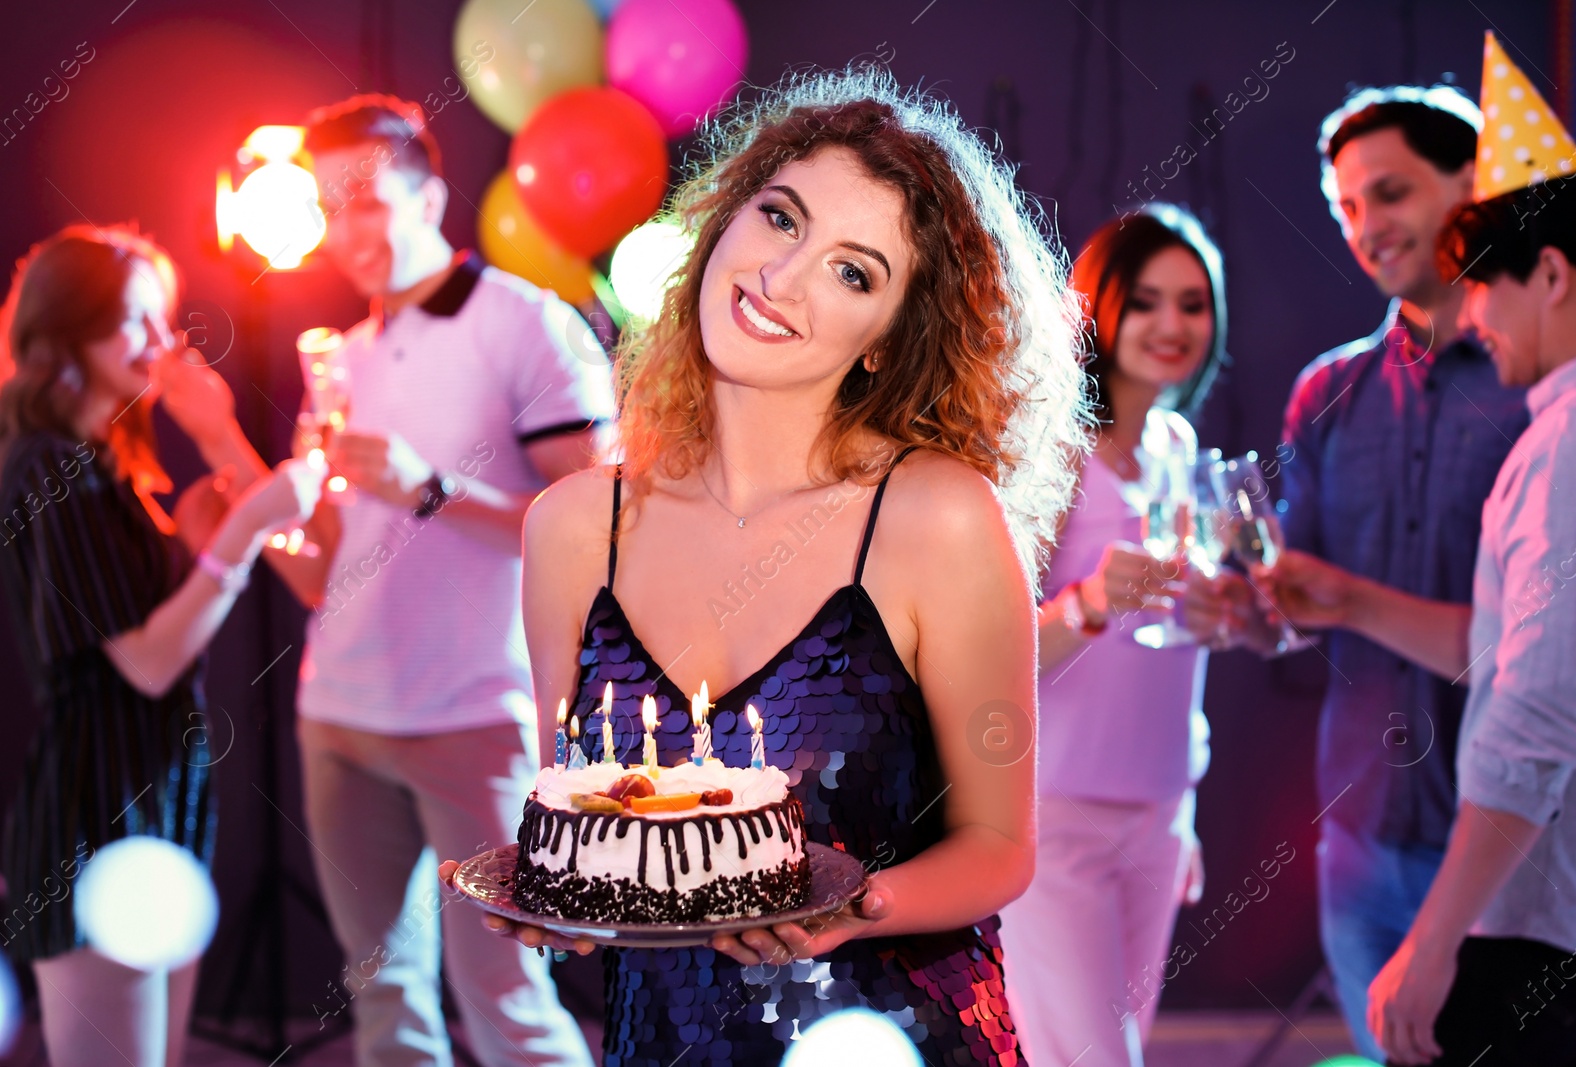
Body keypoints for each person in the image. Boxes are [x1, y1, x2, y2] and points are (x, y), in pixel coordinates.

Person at [442, 67, 1088, 1066]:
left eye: (853, 271)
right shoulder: (572, 526)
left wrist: (851, 909)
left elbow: (1000, 846)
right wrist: (558, 905)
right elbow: (579, 820)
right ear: (722, 223)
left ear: (887, 339)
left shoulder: (933, 518)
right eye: (780, 218)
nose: (781, 278)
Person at [275, 95, 612, 1067]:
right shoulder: (344, 354)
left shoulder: (524, 323)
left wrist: (431, 488)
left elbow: (596, 530)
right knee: (384, 996)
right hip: (338, 712)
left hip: (477, 714)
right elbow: (327, 564)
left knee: (505, 996)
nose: (347, 232)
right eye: (328, 208)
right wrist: (265, 527)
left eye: (367, 201)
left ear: (427, 195)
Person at [1267, 164, 1576, 1067]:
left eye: (1485, 280)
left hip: (1549, 921)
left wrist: (1434, 938)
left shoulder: (1573, 438)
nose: (1476, 312)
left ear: (1555, 277)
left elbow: (1535, 718)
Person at [0, 225, 319, 1067]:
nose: (161, 345)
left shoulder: (105, 461)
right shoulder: (44, 465)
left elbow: (133, 613)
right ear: (72, 331)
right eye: (138, 322)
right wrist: (241, 535)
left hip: (158, 803)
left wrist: (194, 537)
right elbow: (143, 661)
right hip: (94, 816)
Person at [999, 203, 1240, 1067]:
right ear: (1098, 307)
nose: (1172, 325)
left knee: (1117, 1049)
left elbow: (1172, 639)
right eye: (1145, 301)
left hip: (1161, 808)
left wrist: (1217, 617)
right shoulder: (1054, 451)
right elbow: (987, 654)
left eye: (1192, 302)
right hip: (1055, 815)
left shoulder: (1177, 443)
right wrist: (1092, 602)